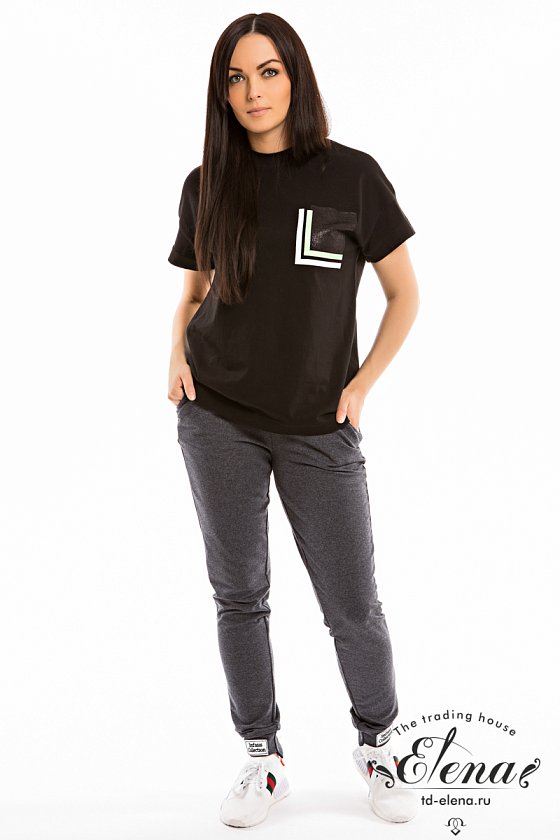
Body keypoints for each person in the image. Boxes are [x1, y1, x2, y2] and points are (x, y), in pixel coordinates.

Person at [167, 12, 420, 829]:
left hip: (318, 423)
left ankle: (379, 743)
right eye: (236, 78)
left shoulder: (353, 177)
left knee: (352, 603)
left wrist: (362, 385)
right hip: (217, 418)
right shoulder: (207, 183)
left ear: (295, 77)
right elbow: (194, 294)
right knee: (239, 593)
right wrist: (175, 355)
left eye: (268, 72)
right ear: (222, 93)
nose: (253, 91)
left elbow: (404, 295)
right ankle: (263, 756)